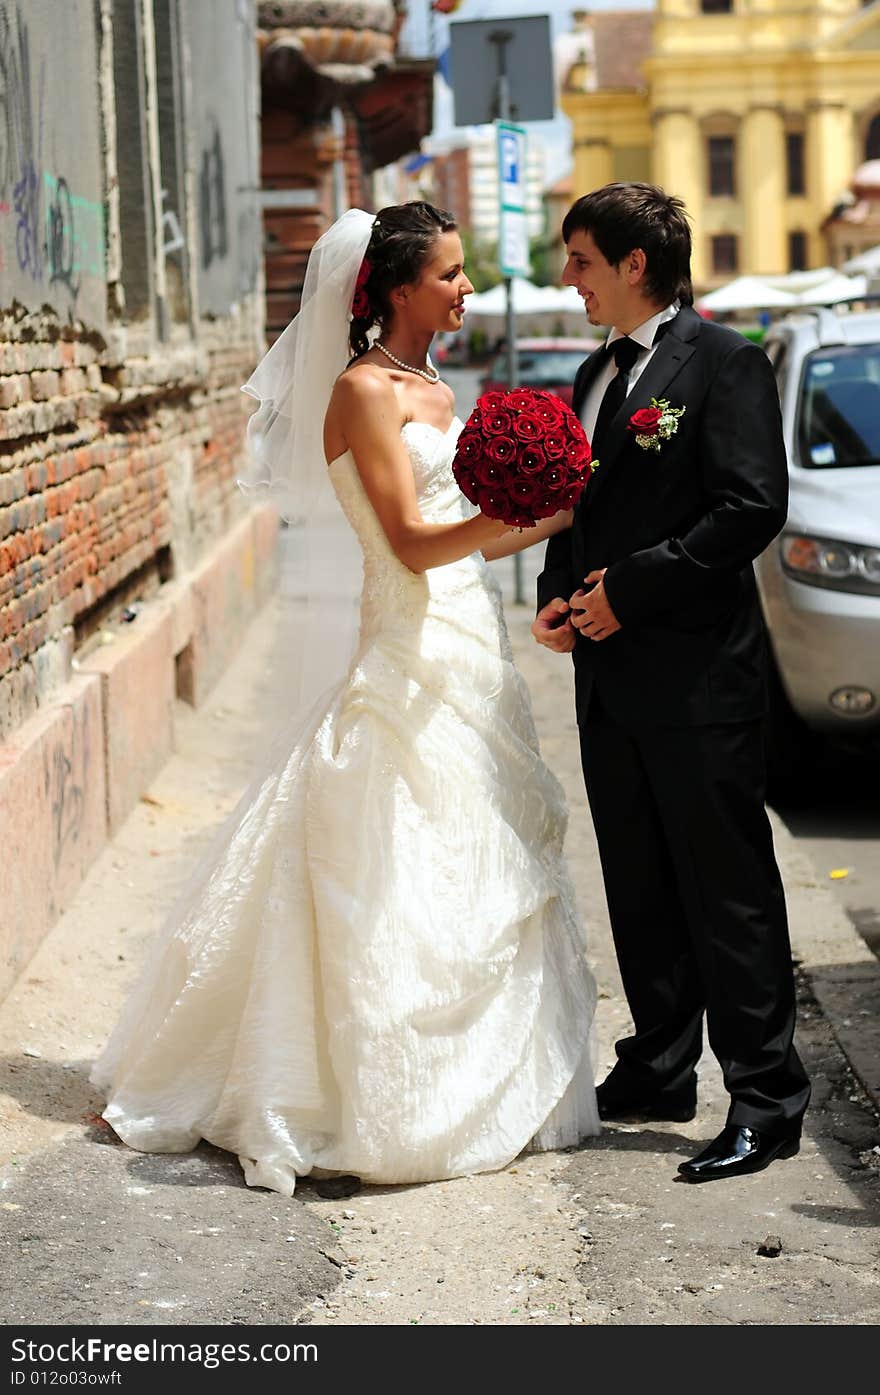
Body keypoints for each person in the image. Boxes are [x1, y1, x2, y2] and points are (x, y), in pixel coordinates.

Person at [91, 202, 599, 1198]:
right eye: (449, 275)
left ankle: (481, 1074)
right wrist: (505, 512)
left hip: (464, 636)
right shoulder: (364, 391)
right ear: (397, 286)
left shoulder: (433, 387)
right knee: (386, 853)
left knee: (476, 850)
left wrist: (552, 514)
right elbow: (409, 543)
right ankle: (368, 1092)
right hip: (405, 637)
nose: (464, 289)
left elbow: (464, 539)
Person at [533, 182, 810, 1183]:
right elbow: (578, 508)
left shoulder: (726, 363)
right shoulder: (589, 374)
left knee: (726, 891)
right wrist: (560, 594)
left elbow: (750, 507)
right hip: (608, 679)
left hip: (700, 682)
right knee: (638, 880)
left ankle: (767, 1096)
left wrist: (632, 592)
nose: (569, 280)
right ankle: (657, 1064)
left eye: (580, 262)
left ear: (633, 265)